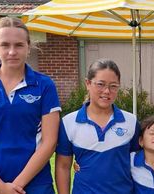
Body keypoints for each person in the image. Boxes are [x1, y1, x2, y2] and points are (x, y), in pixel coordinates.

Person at [0, 17, 61, 194]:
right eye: (5, 45)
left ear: (28, 46)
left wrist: (17, 185)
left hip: (36, 184)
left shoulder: (45, 85)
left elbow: (49, 142)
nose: (11, 51)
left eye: (19, 45)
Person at [55, 59, 140, 194]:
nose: (107, 91)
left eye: (113, 86)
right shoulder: (68, 122)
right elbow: (63, 166)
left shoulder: (131, 121)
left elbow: (139, 163)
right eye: (100, 84)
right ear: (88, 83)